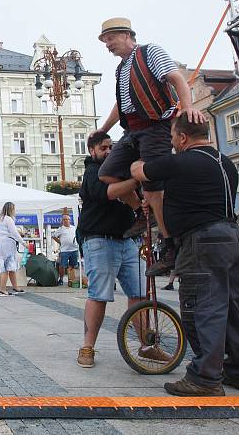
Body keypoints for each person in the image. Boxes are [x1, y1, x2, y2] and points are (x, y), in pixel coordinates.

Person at [131, 114, 239, 396]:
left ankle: (205, 377)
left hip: (203, 241)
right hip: (233, 237)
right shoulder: (225, 162)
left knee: (203, 308)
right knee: (232, 307)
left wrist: (140, 157)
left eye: (173, 137)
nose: (172, 142)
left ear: (184, 138)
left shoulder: (180, 161)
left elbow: (140, 171)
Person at [92, 18, 206, 277]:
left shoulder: (149, 51)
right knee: (107, 173)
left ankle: (170, 247)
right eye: (105, 40)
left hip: (155, 125)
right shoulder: (121, 69)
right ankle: (143, 212)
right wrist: (103, 130)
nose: (107, 44)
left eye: (109, 38)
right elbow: (120, 105)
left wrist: (187, 108)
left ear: (125, 34)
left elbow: (177, 78)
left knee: (154, 188)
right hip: (131, 130)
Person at [75, 131, 170, 369]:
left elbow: (138, 198)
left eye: (110, 147)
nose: (108, 151)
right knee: (99, 295)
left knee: (139, 294)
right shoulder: (92, 172)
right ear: (92, 151)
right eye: (103, 148)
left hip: (128, 240)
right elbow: (107, 193)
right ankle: (87, 346)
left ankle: (147, 347)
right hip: (99, 239)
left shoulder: (121, 169)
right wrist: (138, 179)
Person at [0, 202, 24, 296]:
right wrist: (23, 242)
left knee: (10, 266)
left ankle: (15, 287)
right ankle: (2, 289)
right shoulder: (8, 219)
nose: (15, 211)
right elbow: (14, 232)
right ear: (11, 209)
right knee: (6, 267)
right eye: (14, 209)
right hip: (7, 244)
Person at [52, 214, 79, 287]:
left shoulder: (74, 228)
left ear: (70, 220)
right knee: (62, 266)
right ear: (62, 221)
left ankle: (71, 280)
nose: (66, 221)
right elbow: (53, 236)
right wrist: (59, 242)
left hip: (74, 249)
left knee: (72, 266)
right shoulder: (60, 229)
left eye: (67, 219)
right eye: (64, 219)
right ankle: (61, 279)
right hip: (64, 250)